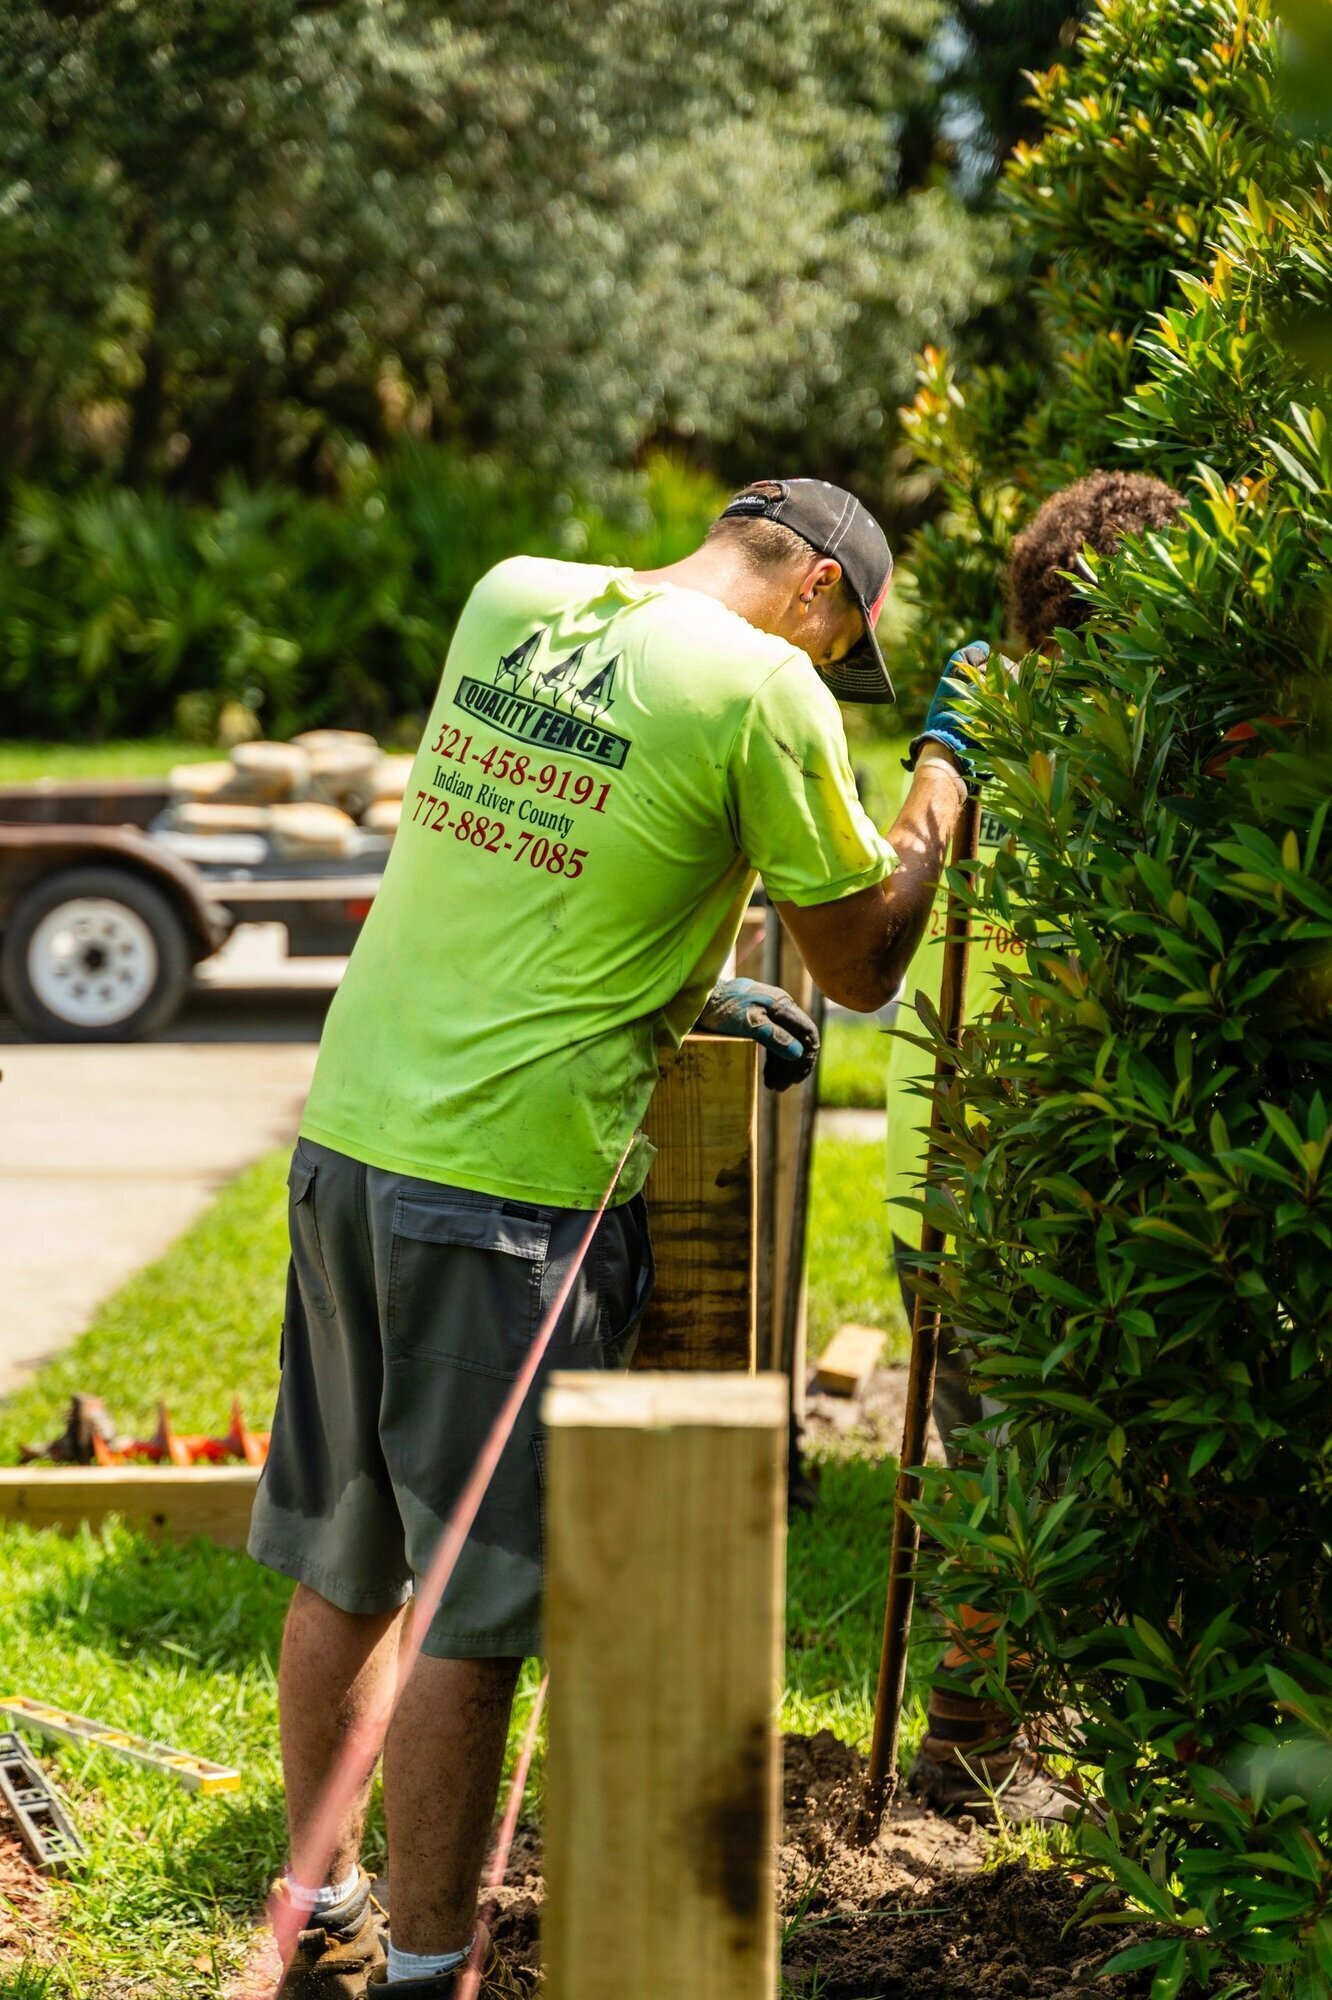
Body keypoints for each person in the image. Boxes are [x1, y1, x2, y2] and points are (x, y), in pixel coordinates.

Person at [249, 476, 988, 1997]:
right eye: (847, 648)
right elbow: (862, 956)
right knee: (474, 1608)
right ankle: (427, 1973)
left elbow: (541, 843)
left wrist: (685, 976)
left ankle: (317, 1910)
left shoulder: (514, 595)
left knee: (349, 1560)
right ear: (821, 598)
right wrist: (940, 780)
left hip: (350, 1132)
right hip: (510, 1195)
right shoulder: (772, 683)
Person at [885, 469, 1185, 1820]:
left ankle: (990, 1739)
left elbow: (923, 824)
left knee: (995, 1461)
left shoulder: (984, 689)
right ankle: (975, 1754)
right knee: (1029, 1472)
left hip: (951, 1159)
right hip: (1033, 1165)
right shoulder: (1157, 731)